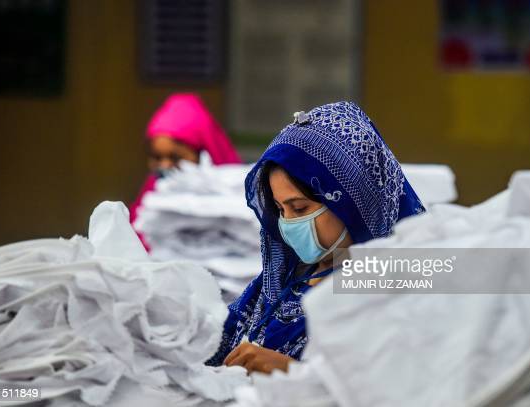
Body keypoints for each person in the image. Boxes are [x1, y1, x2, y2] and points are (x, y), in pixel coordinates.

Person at [206, 101, 425, 374]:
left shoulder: (397, 293)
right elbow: (211, 347)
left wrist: (290, 371)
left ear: (352, 201)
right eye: (280, 209)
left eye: (299, 209)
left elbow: (392, 388)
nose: (288, 223)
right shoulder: (280, 283)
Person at [129, 93, 242, 248]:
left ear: (203, 154)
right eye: (156, 157)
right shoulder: (151, 194)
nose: (164, 166)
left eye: (175, 158)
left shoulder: (236, 197)